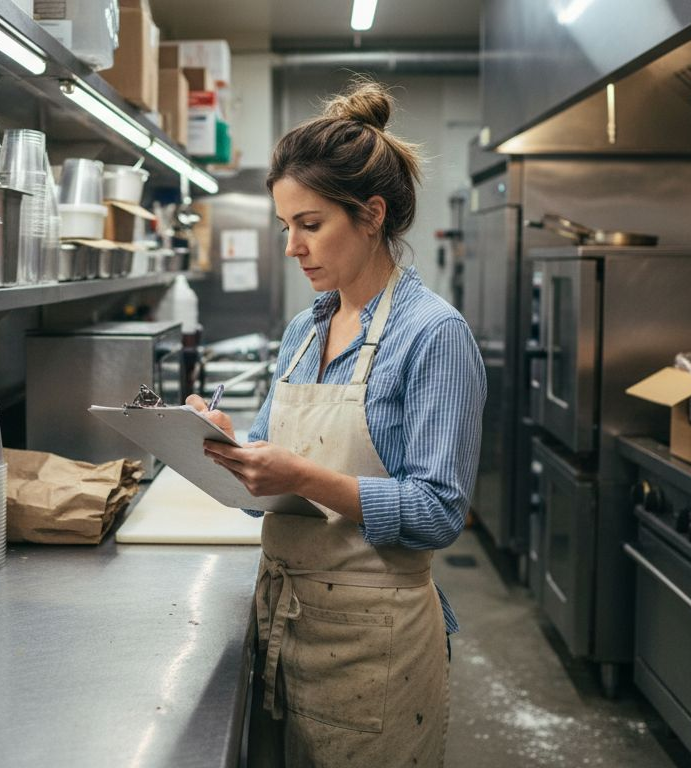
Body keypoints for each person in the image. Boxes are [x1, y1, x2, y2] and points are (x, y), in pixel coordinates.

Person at [188, 79, 485, 766]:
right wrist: (223, 440)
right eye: (285, 226)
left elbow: (439, 512)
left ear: (371, 214)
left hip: (374, 648)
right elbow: (271, 458)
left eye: (310, 224)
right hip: (287, 628)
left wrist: (302, 476)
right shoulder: (303, 328)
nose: (293, 247)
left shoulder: (433, 336)